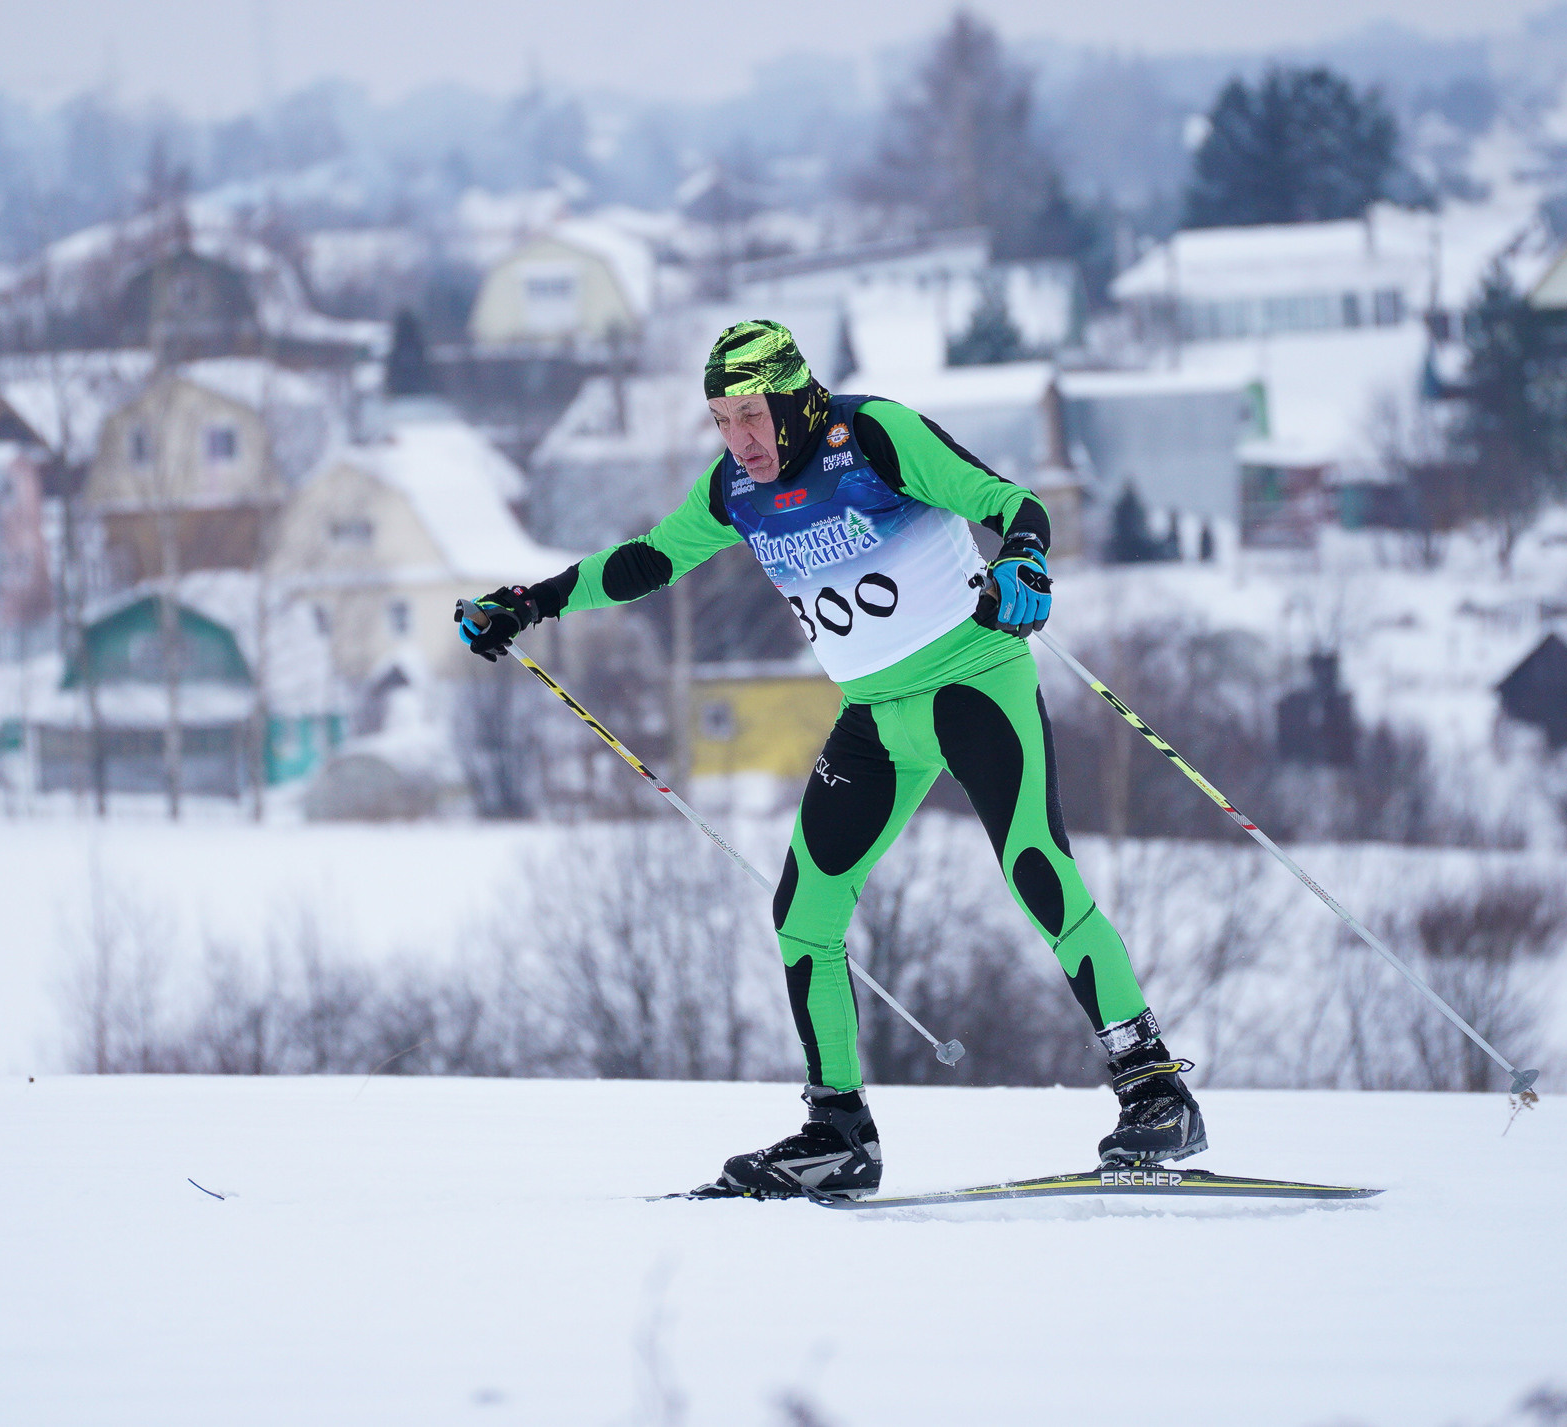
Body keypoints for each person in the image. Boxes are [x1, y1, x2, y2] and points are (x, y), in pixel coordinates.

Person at [458, 319, 1201, 1200]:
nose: (740, 438)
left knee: (1038, 871)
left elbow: (1010, 503)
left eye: (752, 414)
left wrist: (1026, 559)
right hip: (877, 719)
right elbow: (649, 560)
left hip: (973, 684)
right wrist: (529, 602)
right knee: (802, 912)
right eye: (721, 419)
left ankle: (1154, 1086)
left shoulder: (874, 436)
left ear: (796, 398)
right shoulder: (737, 488)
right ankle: (837, 1131)